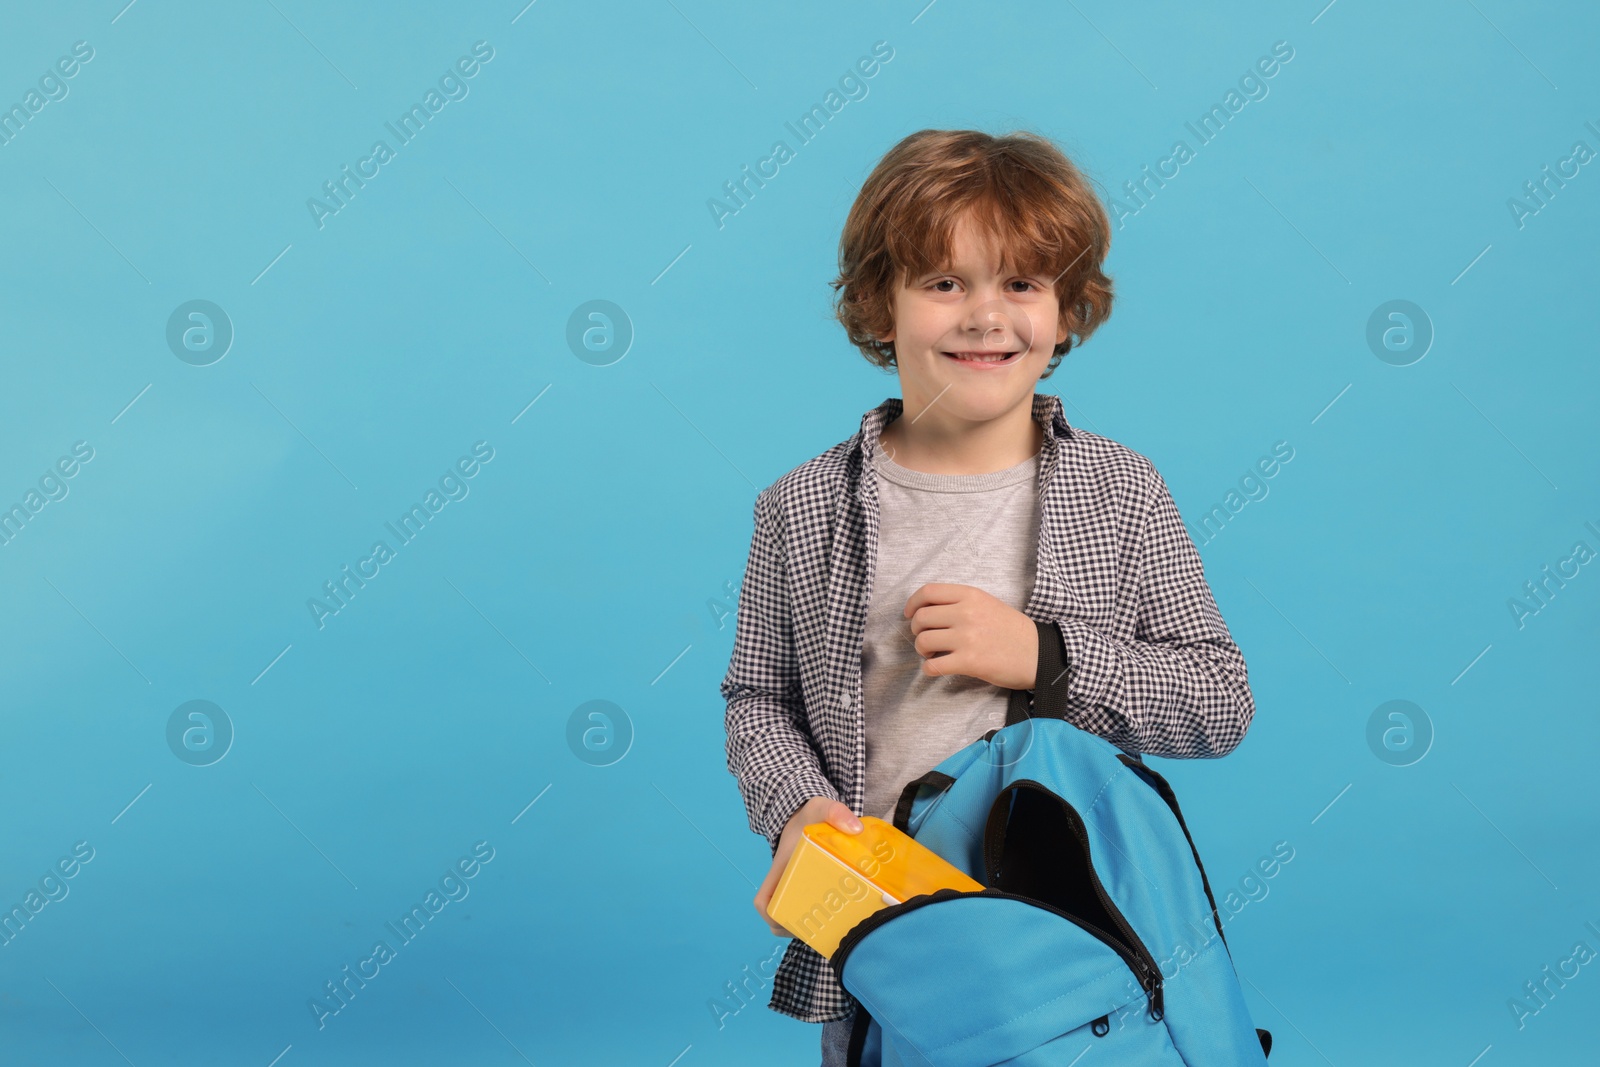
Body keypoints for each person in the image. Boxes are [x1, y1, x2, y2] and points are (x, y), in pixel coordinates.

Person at [719, 128, 1257, 1066]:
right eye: (943, 283)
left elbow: (1217, 702)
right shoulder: (801, 507)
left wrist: (1046, 657)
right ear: (880, 307)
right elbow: (757, 699)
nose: (984, 316)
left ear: (1067, 309)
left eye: (1020, 283)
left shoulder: (1122, 492)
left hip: (1070, 933)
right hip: (888, 931)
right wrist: (795, 805)